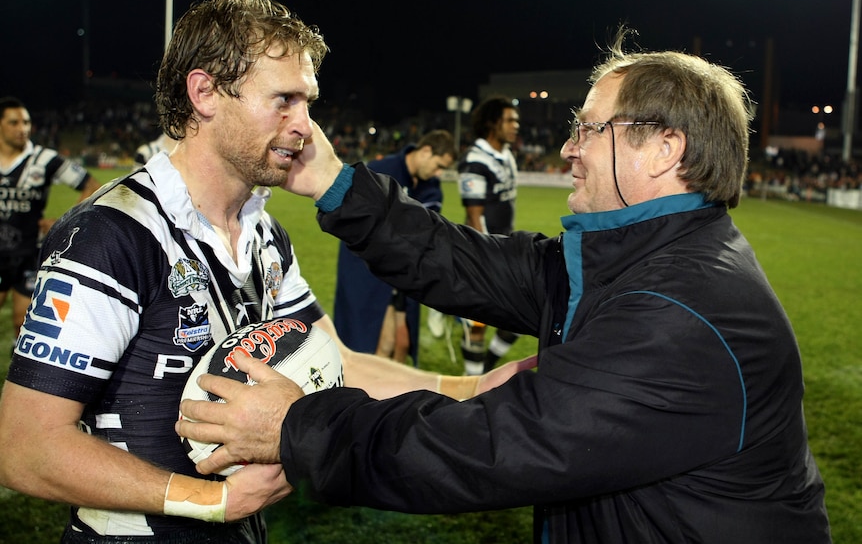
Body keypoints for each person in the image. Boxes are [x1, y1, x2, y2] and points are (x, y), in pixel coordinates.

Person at [176, 29, 832, 543]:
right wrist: (337, 185)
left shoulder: (677, 312)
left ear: (664, 149)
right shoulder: (641, 260)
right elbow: (468, 262)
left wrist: (297, 426)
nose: (569, 148)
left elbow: (487, 448)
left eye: (588, 127)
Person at [0, 0, 529, 544]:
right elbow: (25, 443)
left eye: (308, 102)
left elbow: (338, 364)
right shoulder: (114, 233)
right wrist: (213, 500)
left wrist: (470, 389)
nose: (306, 126)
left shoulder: (265, 234)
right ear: (204, 92)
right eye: (284, 100)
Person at [333, 129, 456, 364]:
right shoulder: (381, 171)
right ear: (426, 151)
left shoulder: (430, 187)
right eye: (438, 165)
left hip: (402, 271)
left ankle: (390, 397)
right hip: (366, 270)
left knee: (402, 344)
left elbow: (427, 231)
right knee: (374, 344)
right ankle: (369, 397)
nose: (439, 173)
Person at [0, 96, 101, 344]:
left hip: (29, 251)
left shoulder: (44, 159)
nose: (22, 128)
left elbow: (91, 185)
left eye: (26, 122)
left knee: (22, 322)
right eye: (14, 122)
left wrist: (64, 220)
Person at [457, 95, 521, 374]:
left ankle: (484, 369)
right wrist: (486, 257)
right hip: (482, 253)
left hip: (505, 247)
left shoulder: (506, 155)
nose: (516, 125)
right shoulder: (475, 160)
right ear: (493, 123)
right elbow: (474, 216)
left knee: (520, 316)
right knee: (477, 325)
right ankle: (473, 386)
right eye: (509, 120)